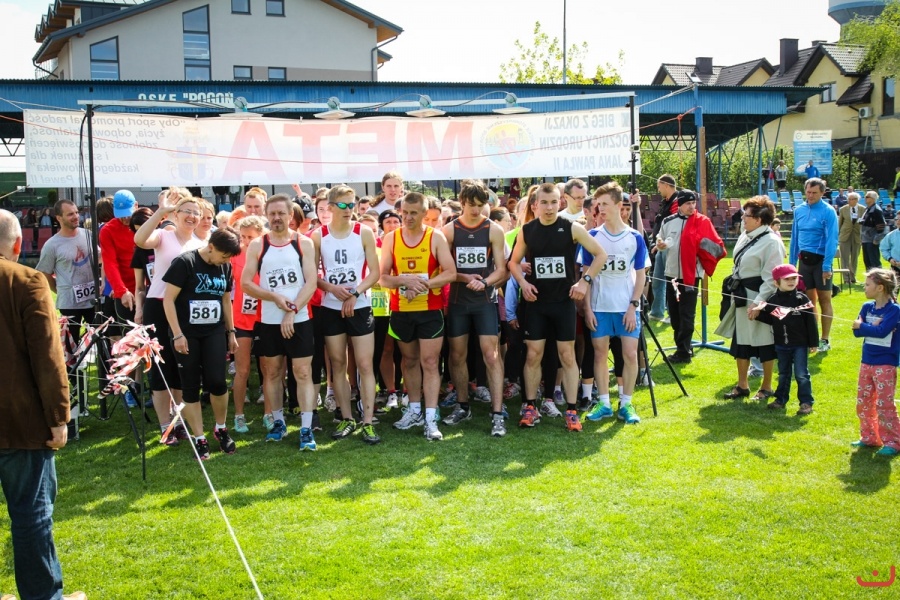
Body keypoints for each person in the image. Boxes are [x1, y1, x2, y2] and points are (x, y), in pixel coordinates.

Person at [0, 209, 87, 600]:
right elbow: (48, 356)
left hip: (17, 420)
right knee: (31, 516)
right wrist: (58, 417)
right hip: (19, 422)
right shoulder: (25, 280)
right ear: (19, 245)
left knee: (31, 514)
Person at [508, 183, 607, 432]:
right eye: (544, 202)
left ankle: (571, 411)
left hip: (563, 303)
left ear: (560, 203)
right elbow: (513, 262)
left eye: (554, 202)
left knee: (567, 355)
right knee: (533, 355)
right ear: (535, 205)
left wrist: (584, 281)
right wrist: (523, 283)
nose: (549, 207)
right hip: (536, 303)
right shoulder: (527, 230)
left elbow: (601, 255)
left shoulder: (572, 228)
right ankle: (530, 407)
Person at [241, 194, 318, 449]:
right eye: (272, 213)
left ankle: (306, 428)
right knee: (272, 372)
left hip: (299, 318)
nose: (276, 218)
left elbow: (311, 282)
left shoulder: (303, 243)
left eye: (281, 213)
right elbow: (246, 283)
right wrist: (273, 296)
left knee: (303, 372)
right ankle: (278, 422)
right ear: (266, 215)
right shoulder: (258, 245)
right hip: (269, 320)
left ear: (290, 215)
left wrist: (292, 311)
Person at [380, 191, 457, 441]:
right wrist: (405, 280)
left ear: (425, 213)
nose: (408, 217)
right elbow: (383, 278)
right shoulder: (391, 238)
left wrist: (423, 285)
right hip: (401, 310)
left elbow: (450, 272)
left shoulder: (435, 236)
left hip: (429, 310)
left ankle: (431, 417)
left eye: (414, 213)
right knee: (409, 361)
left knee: (430, 362)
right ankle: (414, 410)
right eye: (404, 213)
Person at [312, 185, 382, 445]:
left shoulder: (363, 231)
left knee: (364, 364)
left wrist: (355, 293)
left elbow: (375, 272)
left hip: (360, 305)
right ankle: (347, 417)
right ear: (330, 207)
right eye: (343, 205)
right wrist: (332, 288)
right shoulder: (319, 236)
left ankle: (368, 421)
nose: (349, 209)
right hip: (331, 307)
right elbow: (312, 275)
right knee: (338, 364)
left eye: (352, 205)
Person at [163, 229, 241, 460]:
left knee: (217, 382)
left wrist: (231, 332)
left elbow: (226, 299)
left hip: (214, 331)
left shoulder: (224, 266)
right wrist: (177, 334)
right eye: (223, 256)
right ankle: (199, 437)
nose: (225, 261)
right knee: (190, 385)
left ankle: (221, 428)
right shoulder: (184, 263)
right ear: (211, 247)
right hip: (186, 333)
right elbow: (168, 300)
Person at [134, 197, 207, 444]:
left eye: (196, 213)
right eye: (186, 211)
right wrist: (160, 213)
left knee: (181, 367)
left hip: (185, 310)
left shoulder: (200, 244)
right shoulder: (163, 236)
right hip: (158, 306)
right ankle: (165, 426)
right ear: (176, 215)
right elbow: (140, 240)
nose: (192, 216)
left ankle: (178, 422)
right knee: (160, 368)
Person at [441, 181, 509, 436]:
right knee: (457, 355)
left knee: (491, 355)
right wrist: (464, 277)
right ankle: (462, 405)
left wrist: (485, 282)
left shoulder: (494, 230)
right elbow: (443, 269)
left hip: (484, 301)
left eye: (481, 205)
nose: (476, 210)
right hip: (458, 301)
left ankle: (497, 412)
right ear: (462, 202)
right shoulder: (449, 230)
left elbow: (501, 269)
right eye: (471, 205)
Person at [580, 182, 647, 425]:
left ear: (619, 205)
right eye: (598, 204)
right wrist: (587, 308)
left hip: (626, 307)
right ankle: (604, 403)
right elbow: (586, 275)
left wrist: (633, 306)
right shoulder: (593, 236)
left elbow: (641, 275)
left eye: (605, 204)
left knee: (630, 355)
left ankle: (626, 404)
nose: (600, 208)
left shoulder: (635, 237)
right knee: (599, 355)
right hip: (600, 307)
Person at [715, 197, 783, 401]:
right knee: (741, 341)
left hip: (759, 296)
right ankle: (742, 385)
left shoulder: (772, 242)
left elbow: (771, 279)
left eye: (747, 215)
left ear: (759, 219)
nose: (743, 218)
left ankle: (767, 386)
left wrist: (758, 303)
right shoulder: (745, 235)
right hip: (741, 295)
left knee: (765, 342)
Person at [657, 189, 726, 364]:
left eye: (693, 202)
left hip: (691, 276)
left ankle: (683, 352)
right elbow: (659, 239)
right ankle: (683, 347)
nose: (691, 206)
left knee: (686, 314)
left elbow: (718, 249)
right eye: (687, 203)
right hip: (672, 275)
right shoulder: (668, 221)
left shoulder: (703, 222)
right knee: (674, 315)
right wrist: (659, 244)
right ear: (679, 204)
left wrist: (699, 243)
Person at [753, 264, 818, 415]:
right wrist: (757, 313)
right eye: (787, 279)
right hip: (781, 345)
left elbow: (811, 323)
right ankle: (780, 399)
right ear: (776, 283)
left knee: (801, 374)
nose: (791, 281)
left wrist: (813, 342)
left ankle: (806, 402)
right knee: (783, 373)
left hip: (800, 344)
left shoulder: (802, 299)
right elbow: (771, 319)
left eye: (794, 278)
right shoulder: (772, 300)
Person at [851, 268, 900, 456]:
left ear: (880, 287)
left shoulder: (894, 310)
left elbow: (881, 332)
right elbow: (856, 331)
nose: (864, 287)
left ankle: (893, 442)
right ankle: (869, 437)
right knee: (863, 401)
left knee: (884, 403)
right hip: (866, 361)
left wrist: (865, 326)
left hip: (885, 363)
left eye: (867, 285)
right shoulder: (866, 307)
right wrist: (870, 327)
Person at [788, 178, 838, 353]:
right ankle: (812, 337)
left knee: (824, 299)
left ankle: (825, 339)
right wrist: (791, 265)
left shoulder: (828, 211)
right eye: (808, 192)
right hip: (804, 261)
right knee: (808, 302)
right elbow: (794, 238)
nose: (810, 196)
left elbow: (832, 240)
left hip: (821, 261)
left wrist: (827, 266)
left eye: (814, 193)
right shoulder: (799, 210)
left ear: (822, 193)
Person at [649, 174, 679, 321]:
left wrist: (664, 243)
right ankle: (657, 312)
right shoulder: (666, 201)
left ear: (666, 185)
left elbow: (674, 227)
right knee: (657, 280)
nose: (658, 189)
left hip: (670, 248)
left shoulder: (676, 202)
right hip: (661, 246)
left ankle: (672, 314)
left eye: (659, 186)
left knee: (671, 282)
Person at [838, 192, 862, 284]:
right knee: (844, 257)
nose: (850, 201)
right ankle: (846, 278)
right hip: (845, 236)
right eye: (849, 199)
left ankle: (853, 277)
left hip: (857, 236)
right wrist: (838, 235)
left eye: (852, 199)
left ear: (856, 200)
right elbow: (840, 223)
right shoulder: (843, 209)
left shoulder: (863, 209)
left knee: (854, 257)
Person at [860, 190, 886, 271]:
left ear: (873, 199)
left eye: (867, 197)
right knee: (867, 261)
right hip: (865, 240)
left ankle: (878, 277)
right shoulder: (868, 209)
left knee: (874, 262)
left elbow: (881, 226)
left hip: (871, 241)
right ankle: (870, 278)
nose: (865, 198)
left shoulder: (876, 210)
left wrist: (876, 240)